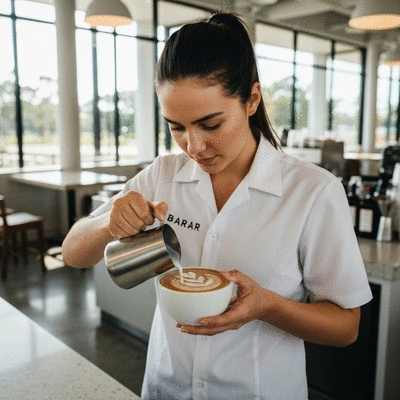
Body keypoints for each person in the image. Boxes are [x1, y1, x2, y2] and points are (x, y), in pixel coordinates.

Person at [62, 13, 372, 400]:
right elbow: (73, 252)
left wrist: (265, 306)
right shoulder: (163, 174)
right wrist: (112, 221)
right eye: (176, 127)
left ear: (251, 100)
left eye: (210, 125)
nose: (193, 147)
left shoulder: (312, 191)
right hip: (166, 388)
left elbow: (346, 327)